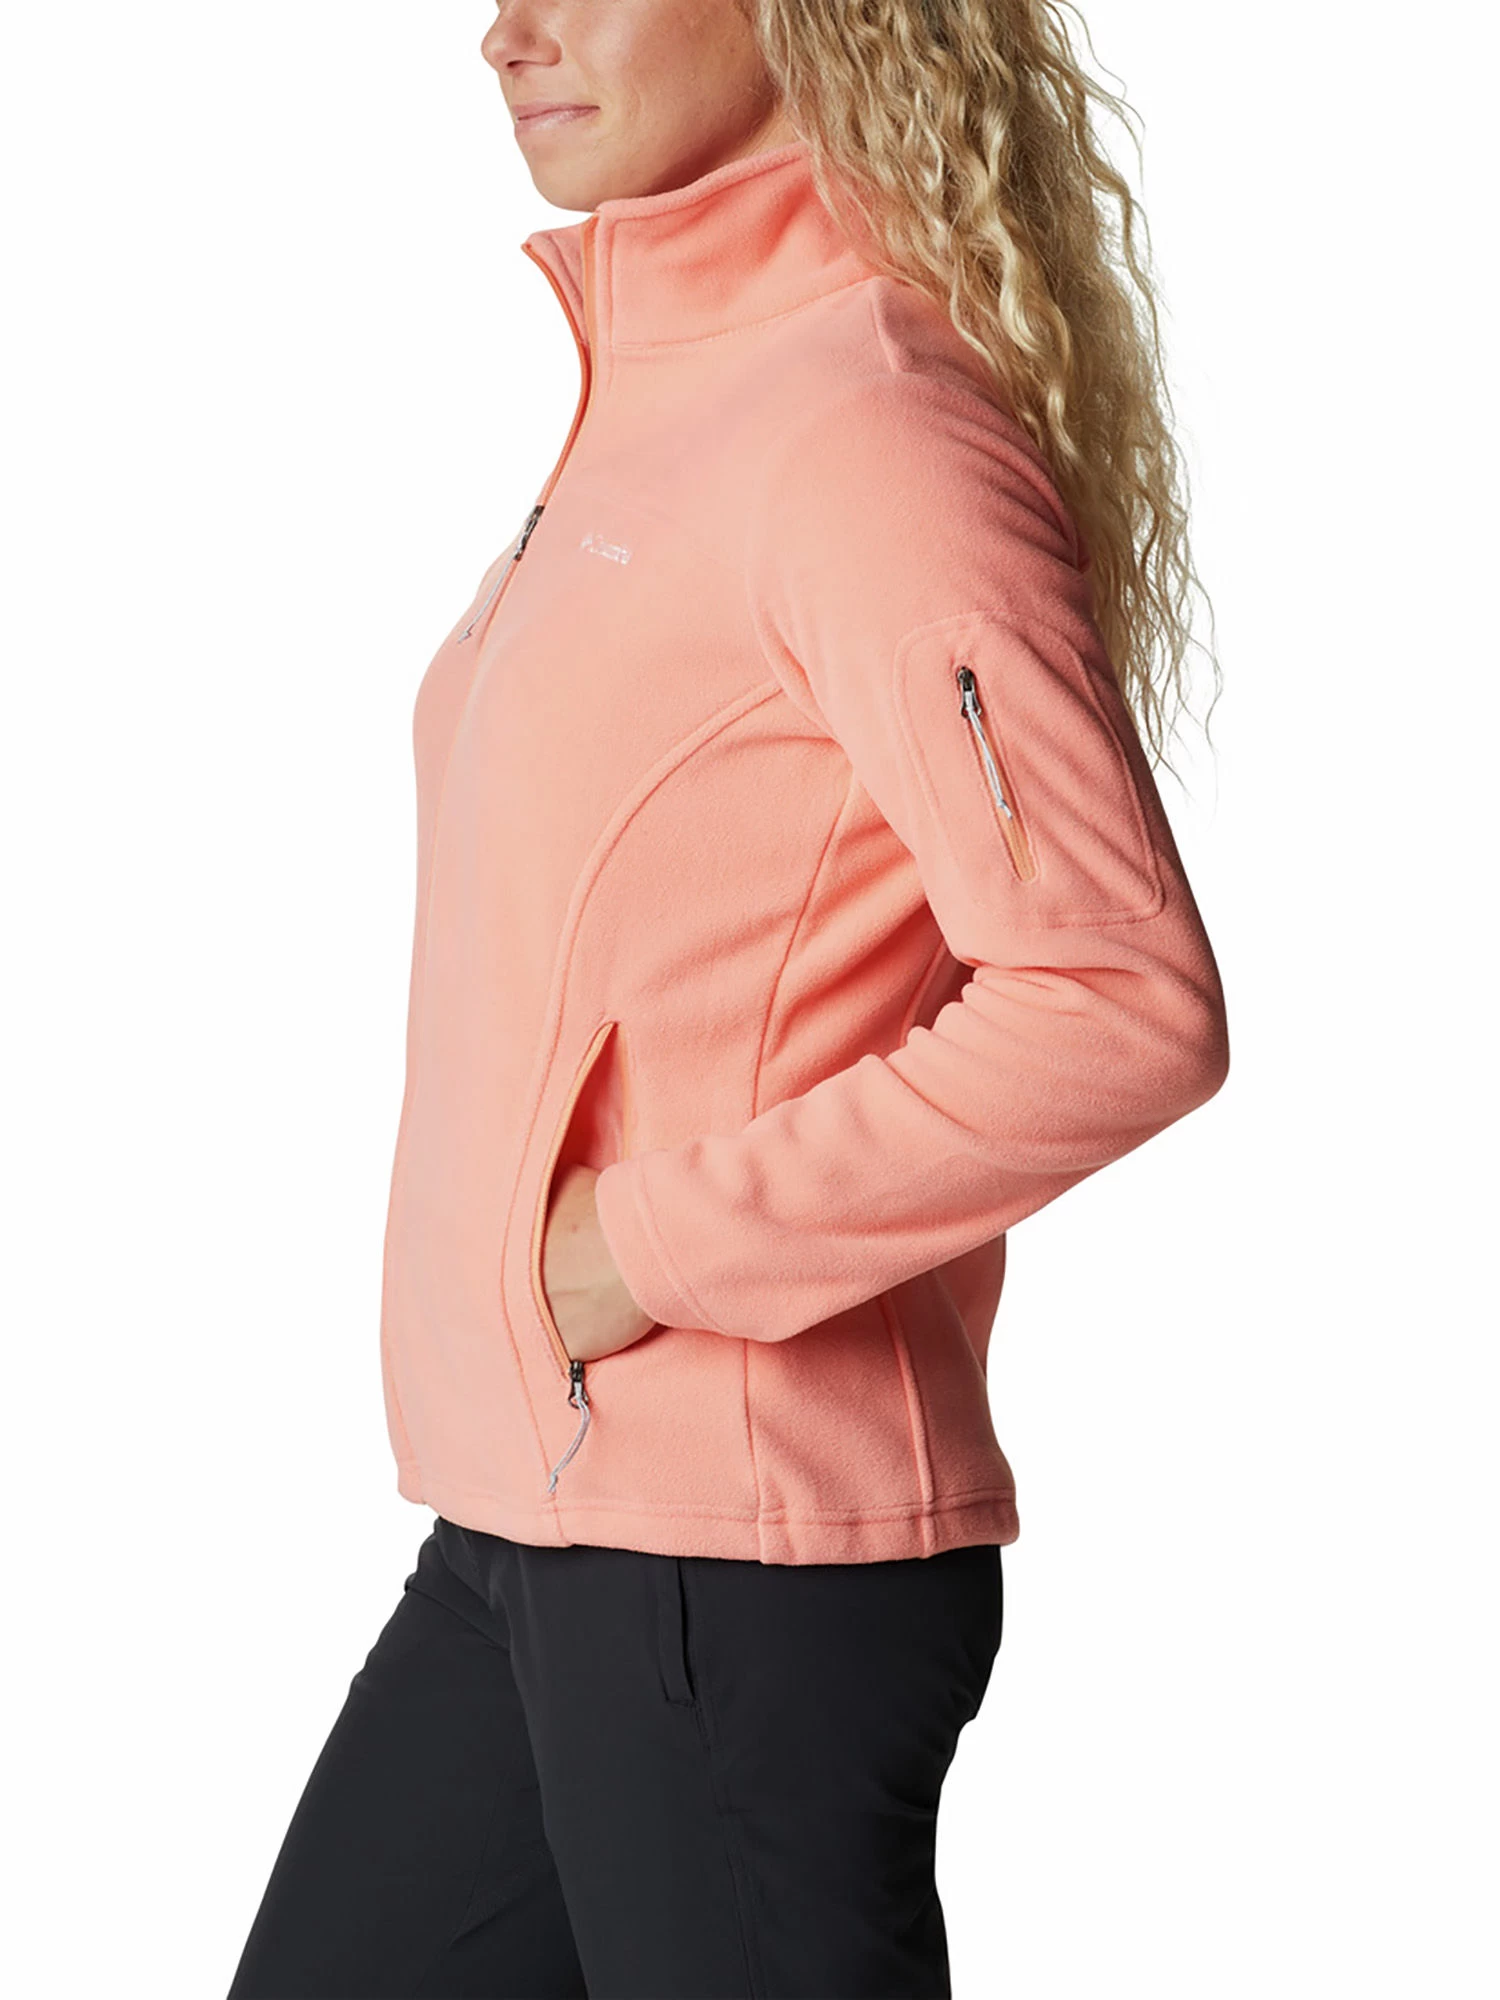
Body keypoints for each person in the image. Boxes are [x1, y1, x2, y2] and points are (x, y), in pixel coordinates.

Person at [226, 0, 1229, 1994]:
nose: (505, 34)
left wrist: (647, 1246)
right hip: (542, 1525)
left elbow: (1119, 996)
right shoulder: (681, 392)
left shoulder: (865, 441)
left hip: (734, 1562)